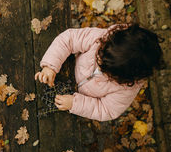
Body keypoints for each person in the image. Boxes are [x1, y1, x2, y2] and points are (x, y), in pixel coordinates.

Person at [35, 24, 163, 121]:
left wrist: (75, 104)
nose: (99, 64)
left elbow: (106, 110)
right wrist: (50, 66)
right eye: (100, 54)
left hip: (82, 100)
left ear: (124, 78)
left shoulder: (126, 90)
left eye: (106, 70)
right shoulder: (101, 38)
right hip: (69, 67)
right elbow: (68, 39)